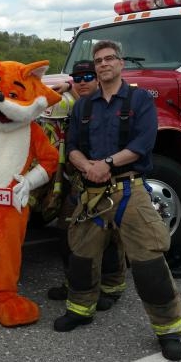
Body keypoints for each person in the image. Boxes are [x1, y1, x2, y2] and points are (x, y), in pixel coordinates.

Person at [55, 40, 181, 361]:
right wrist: (86, 166)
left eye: (109, 58)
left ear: (120, 63)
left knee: (148, 263)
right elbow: (71, 144)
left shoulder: (139, 100)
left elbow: (144, 142)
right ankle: (80, 309)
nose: (102, 64)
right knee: (82, 257)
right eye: (98, 60)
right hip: (91, 192)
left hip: (129, 189)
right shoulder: (83, 106)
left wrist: (107, 164)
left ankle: (169, 330)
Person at [45, 60, 128, 311]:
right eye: (77, 77)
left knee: (110, 237)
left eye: (88, 76)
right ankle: (76, 283)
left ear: (98, 79)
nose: (83, 82)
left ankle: (111, 287)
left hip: (107, 183)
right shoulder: (72, 102)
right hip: (75, 182)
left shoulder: (110, 106)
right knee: (67, 234)